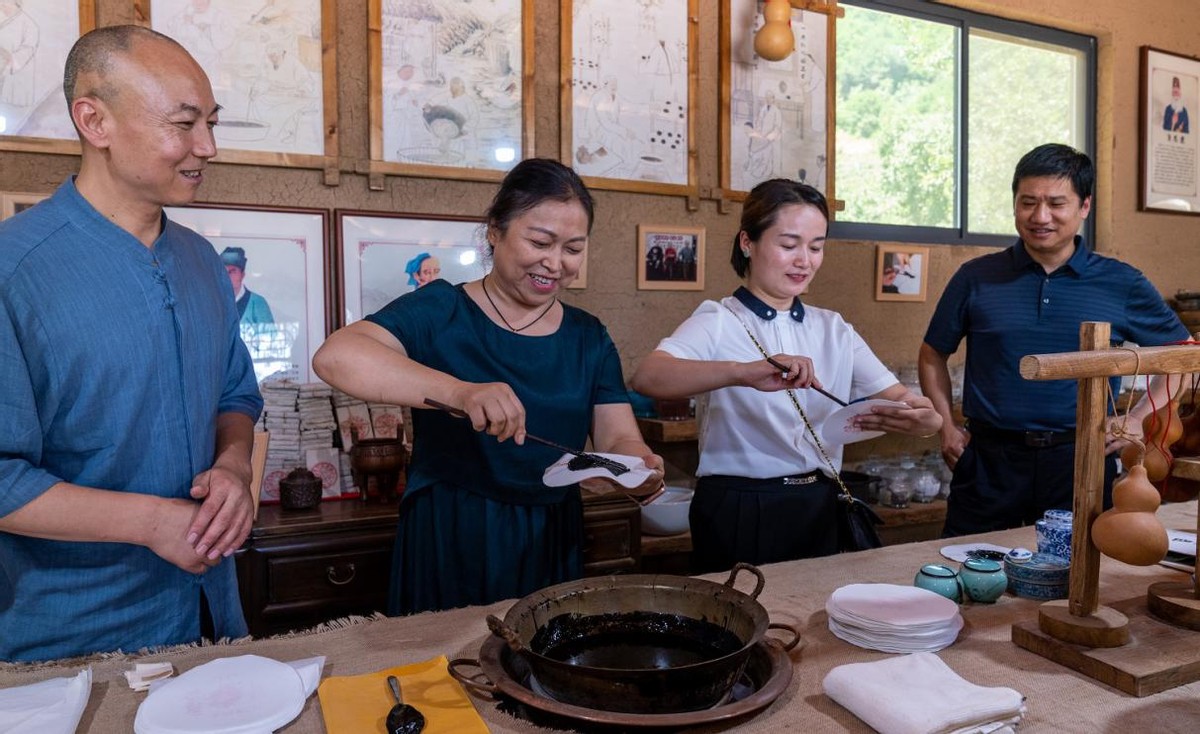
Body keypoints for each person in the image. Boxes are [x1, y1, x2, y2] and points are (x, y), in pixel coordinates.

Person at [0, 25, 262, 662]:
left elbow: (235, 393)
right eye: (184, 123)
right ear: (94, 120)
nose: (207, 146)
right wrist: (152, 523)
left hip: (208, 609)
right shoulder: (15, 269)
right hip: (72, 636)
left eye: (212, 122)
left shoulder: (202, 261)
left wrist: (232, 466)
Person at [312, 158, 664, 615]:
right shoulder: (443, 308)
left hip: (550, 533)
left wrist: (634, 469)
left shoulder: (587, 335)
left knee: (536, 669)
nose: (554, 263)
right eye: (539, 242)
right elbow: (336, 357)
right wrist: (460, 392)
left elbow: (618, 436)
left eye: (573, 248)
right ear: (495, 231)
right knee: (445, 670)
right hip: (451, 529)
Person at [630, 180, 941, 571]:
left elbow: (903, 399)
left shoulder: (834, 329)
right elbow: (649, 376)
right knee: (745, 622)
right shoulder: (719, 320)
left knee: (813, 619)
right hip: (740, 504)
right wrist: (741, 373)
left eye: (816, 246)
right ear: (748, 242)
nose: (804, 261)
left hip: (819, 500)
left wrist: (926, 419)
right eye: (789, 244)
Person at [918, 143, 1190, 538]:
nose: (1040, 216)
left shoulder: (1122, 282)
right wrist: (945, 425)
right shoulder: (975, 277)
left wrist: (1135, 418)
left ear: (1084, 206)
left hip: (1080, 459)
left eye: (1056, 203)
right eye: (1027, 202)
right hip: (988, 460)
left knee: (1075, 577)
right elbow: (931, 354)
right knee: (967, 570)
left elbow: (1184, 359)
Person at [221, 246, 275, 325]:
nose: (228, 276)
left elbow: (270, 335)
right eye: (224, 271)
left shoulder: (258, 303)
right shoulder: (212, 301)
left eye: (232, 271)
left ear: (242, 275)